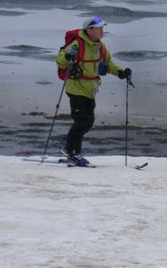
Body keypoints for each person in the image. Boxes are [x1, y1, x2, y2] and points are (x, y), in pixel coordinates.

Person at [55, 17, 132, 166]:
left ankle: (68, 144)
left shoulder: (100, 46)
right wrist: (67, 56)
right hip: (76, 88)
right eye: (99, 28)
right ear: (89, 30)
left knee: (88, 122)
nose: (102, 30)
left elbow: (108, 64)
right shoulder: (77, 44)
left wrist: (121, 72)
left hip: (91, 89)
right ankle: (73, 154)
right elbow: (59, 60)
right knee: (82, 121)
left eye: (102, 28)